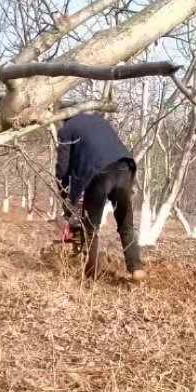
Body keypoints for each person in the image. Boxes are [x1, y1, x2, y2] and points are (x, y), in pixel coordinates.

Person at [55, 112, 144, 280]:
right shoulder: (99, 121)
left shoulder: (67, 130)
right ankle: (136, 268)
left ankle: (90, 276)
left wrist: (66, 197)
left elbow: (63, 168)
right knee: (126, 224)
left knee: (90, 228)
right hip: (125, 168)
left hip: (99, 174)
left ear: (65, 117)